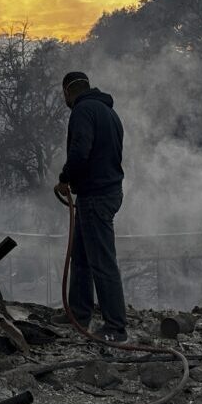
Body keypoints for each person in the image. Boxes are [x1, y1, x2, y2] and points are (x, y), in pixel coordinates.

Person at [54, 71, 128, 342]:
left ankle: (116, 327)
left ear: (67, 92)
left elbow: (80, 150)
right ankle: (79, 312)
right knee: (82, 257)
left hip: (96, 196)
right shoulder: (109, 113)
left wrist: (65, 179)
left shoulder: (82, 111)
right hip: (104, 192)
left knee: (102, 262)